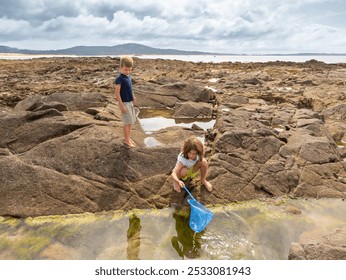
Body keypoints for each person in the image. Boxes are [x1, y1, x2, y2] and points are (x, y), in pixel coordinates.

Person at [114, 56, 137, 148]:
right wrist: (122, 105)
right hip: (124, 103)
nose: (127, 71)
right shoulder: (119, 79)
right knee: (126, 122)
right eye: (125, 69)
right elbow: (117, 93)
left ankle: (128, 137)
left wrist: (133, 96)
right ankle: (126, 140)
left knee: (131, 121)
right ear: (120, 68)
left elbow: (130, 89)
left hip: (129, 102)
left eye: (129, 70)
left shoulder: (128, 77)